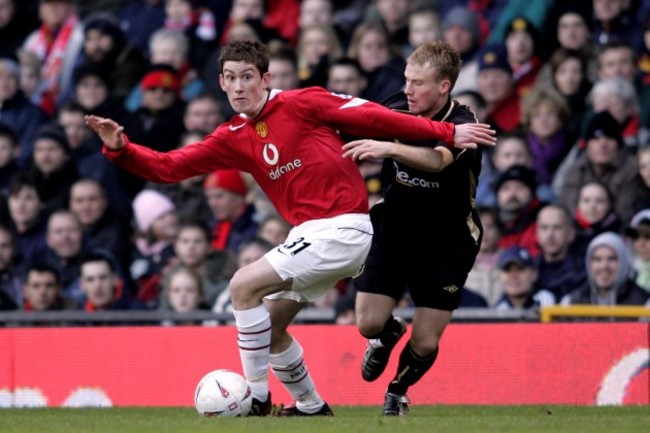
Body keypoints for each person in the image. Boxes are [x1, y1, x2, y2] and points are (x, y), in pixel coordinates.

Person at [85, 39, 495, 417]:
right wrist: (120, 149)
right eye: (231, 78)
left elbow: (373, 116)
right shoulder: (231, 136)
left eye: (248, 76)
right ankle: (311, 406)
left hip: (345, 228)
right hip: (309, 235)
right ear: (221, 83)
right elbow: (168, 167)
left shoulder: (305, 102)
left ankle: (258, 398)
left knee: (242, 286)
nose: (240, 86)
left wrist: (447, 131)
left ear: (266, 79)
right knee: (271, 327)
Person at [341, 41, 486, 416]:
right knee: (367, 323)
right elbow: (353, 121)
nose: (408, 90)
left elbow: (437, 161)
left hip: (449, 241)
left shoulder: (464, 125)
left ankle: (397, 390)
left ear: (444, 87)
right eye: (407, 80)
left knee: (424, 341)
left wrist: (388, 149)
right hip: (397, 229)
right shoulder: (396, 106)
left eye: (418, 83)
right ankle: (389, 333)